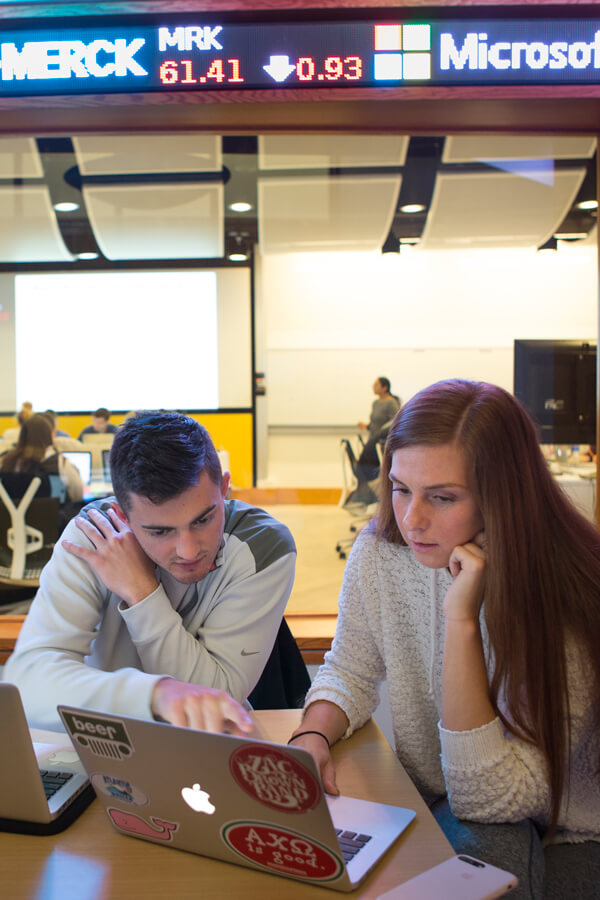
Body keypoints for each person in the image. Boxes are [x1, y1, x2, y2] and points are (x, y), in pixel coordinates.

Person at [288, 379, 600, 899]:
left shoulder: (565, 591)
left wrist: (460, 621)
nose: (412, 519)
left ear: (502, 495)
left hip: (569, 830)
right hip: (446, 802)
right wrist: (312, 736)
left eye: (443, 497)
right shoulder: (381, 553)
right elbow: (349, 668)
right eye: (400, 487)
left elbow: (491, 796)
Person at [5, 411, 296, 737]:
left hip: (208, 749)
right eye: (159, 531)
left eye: (203, 520)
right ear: (122, 515)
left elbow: (216, 698)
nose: (188, 551)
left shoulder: (264, 546)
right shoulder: (91, 536)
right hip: (102, 746)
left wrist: (143, 592)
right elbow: (25, 685)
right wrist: (155, 694)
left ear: (225, 488)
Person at [1, 413, 84, 506]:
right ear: (50, 435)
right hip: (51, 519)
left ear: (22, 435)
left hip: (6, 519)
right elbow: (78, 495)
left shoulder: (4, 461)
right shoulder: (60, 464)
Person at [351, 377, 400, 502]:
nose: (373, 386)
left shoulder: (391, 403)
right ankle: (368, 496)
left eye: (376, 384)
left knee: (362, 467)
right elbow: (375, 424)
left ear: (385, 387)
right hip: (372, 440)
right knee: (361, 468)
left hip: (380, 444)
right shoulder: (375, 403)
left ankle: (369, 497)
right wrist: (367, 426)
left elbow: (393, 423)